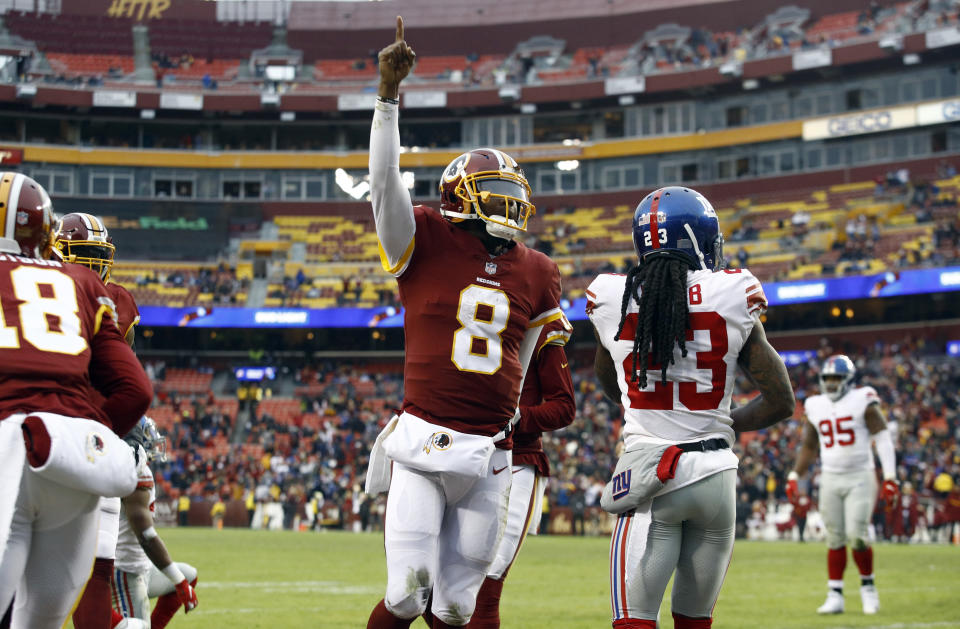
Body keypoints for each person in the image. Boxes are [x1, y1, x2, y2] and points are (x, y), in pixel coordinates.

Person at [365, 16, 563, 629]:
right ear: (460, 197)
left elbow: (527, 357)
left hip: (492, 455)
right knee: (405, 594)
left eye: (511, 190)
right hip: (425, 442)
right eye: (494, 190)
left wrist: (509, 420)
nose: (508, 202)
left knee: (455, 608)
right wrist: (387, 99)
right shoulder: (424, 236)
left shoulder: (537, 270)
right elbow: (380, 189)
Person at [586, 186, 795, 629]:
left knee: (634, 621)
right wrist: (716, 424)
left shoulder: (611, 297)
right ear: (700, 239)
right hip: (716, 477)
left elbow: (607, 377)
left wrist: (643, 407)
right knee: (695, 622)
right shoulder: (732, 291)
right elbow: (781, 401)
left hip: (652, 473)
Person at [0, 172, 153, 629]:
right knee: (44, 617)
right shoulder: (86, 287)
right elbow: (137, 390)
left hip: (9, 443)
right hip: (76, 454)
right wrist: (87, 430)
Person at [424, 318, 575, 628]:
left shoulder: (541, 325)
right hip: (459, 456)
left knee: (487, 585)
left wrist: (521, 416)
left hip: (516, 459)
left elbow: (564, 407)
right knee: (428, 591)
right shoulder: (462, 310)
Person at [55, 213, 143, 629]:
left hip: (56, 433)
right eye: (82, 254)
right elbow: (132, 386)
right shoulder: (114, 300)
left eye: (95, 255)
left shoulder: (36, 288)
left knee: (92, 569)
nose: (91, 264)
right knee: (89, 568)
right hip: (95, 436)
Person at [786, 354, 899, 615]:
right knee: (835, 537)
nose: (832, 383)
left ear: (848, 380)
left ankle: (868, 589)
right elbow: (810, 446)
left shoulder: (863, 398)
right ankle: (835, 594)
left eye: (837, 378)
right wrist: (794, 476)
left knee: (857, 535)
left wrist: (891, 478)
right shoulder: (815, 404)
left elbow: (882, 437)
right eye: (828, 378)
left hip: (860, 475)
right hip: (830, 476)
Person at [111, 417, 198, 629]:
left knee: (190, 575)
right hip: (125, 570)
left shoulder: (139, 469)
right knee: (181, 579)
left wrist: (181, 580)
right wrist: (177, 581)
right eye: (145, 434)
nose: (151, 440)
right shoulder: (132, 471)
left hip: (141, 567)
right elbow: (146, 536)